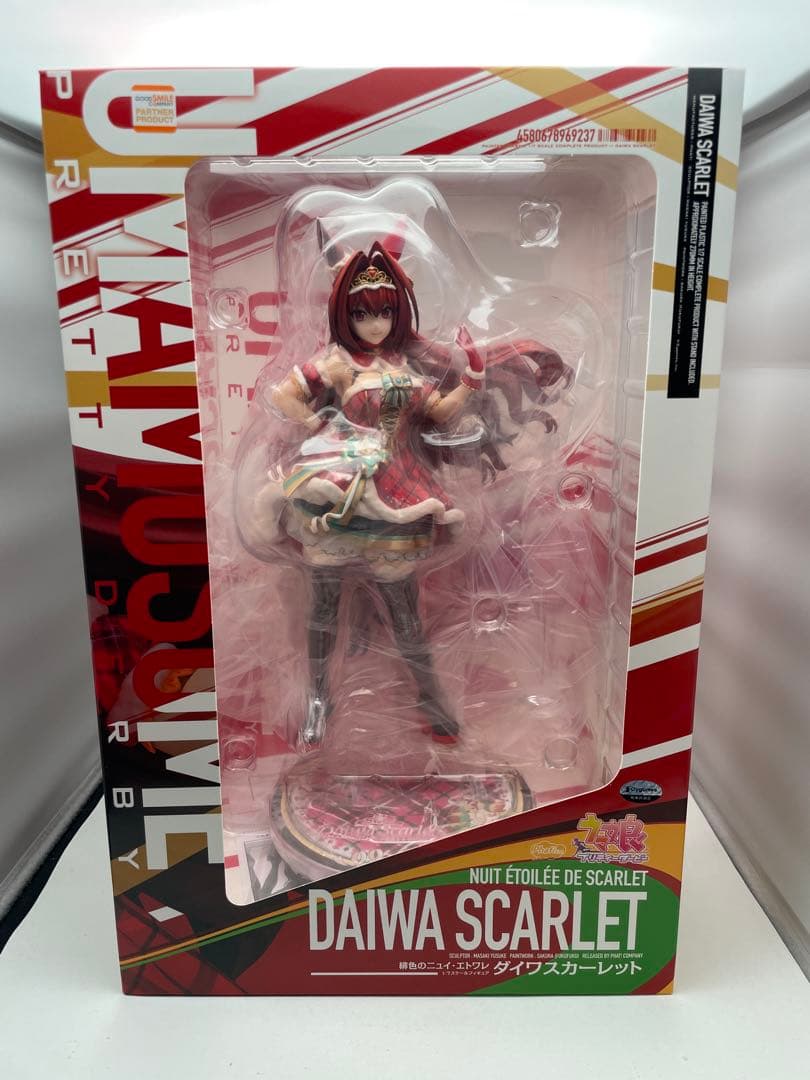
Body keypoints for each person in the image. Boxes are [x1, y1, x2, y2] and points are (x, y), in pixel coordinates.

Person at [266, 235, 570, 750]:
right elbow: (283, 396)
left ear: (398, 313)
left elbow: (442, 412)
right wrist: (330, 430)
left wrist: (472, 376)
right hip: (341, 488)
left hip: (400, 491)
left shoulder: (404, 367)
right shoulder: (338, 363)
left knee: (406, 613)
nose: (375, 324)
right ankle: (318, 699)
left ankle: (430, 698)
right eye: (363, 314)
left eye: (384, 312)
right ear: (345, 315)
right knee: (324, 606)